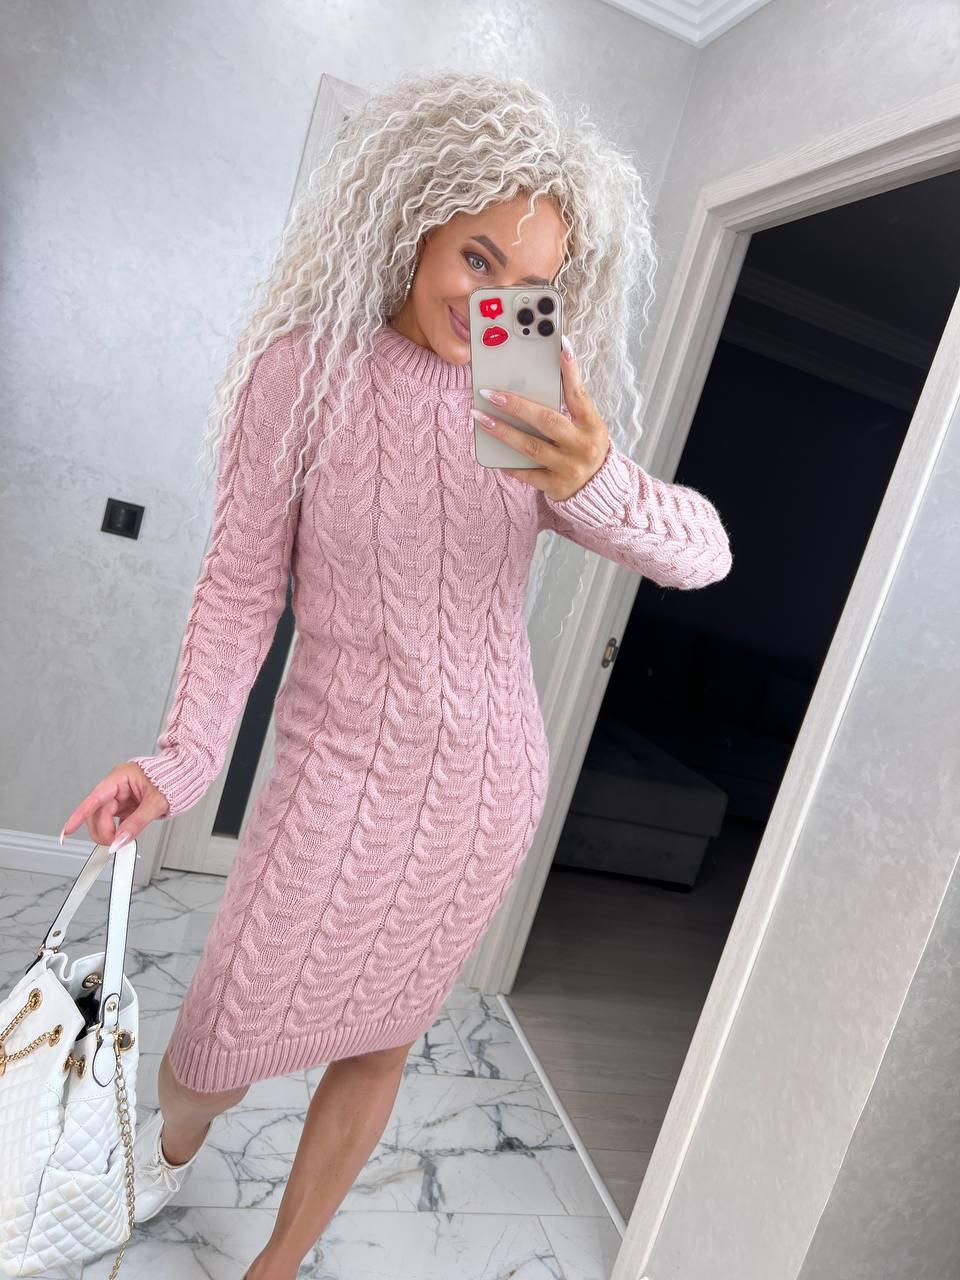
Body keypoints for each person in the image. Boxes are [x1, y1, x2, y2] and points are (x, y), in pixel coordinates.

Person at [60, 69, 732, 1280]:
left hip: (481, 785)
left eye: (529, 284)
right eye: (477, 257)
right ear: (416, 220)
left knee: (379, 1039)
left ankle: (276, 1265)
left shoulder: (522, 392)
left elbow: (702, 551)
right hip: (334, 772)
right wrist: (184, 758)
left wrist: (593, 479)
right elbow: (240, 588)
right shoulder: (306, 371)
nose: (493, 300)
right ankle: (166, 1147)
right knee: (215, 1040)